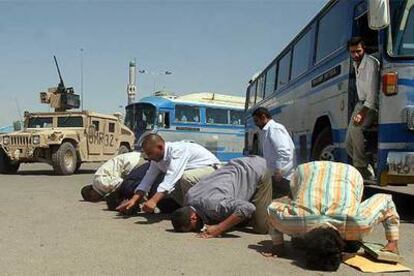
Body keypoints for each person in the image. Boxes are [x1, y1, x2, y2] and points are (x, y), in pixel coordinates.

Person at [265, 161, 400, 271]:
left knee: (353, 243)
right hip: (312, 171)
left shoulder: (359, 223)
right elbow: (272, 208)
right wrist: (279, 244)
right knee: (353, 245)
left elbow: (272, 208)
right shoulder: (292, 222)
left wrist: (278, 245)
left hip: (342, 172)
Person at [116, 134, 220, 214]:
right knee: (168, 191)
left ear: (160, 147)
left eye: (150, 153)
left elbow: (171, 178)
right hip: (196, 174)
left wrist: (153, 201)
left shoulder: (177, 151)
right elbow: (148, 179)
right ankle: (189, 209)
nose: (149, 157)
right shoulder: (156, 158)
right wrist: (134, 200)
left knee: (185, 178)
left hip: (212, 170)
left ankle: (198, 212)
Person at [171, 156, 272, 237]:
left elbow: (248, 207)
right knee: (231, 217)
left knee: (261, 228)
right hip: (239, 165)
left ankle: (279, 205)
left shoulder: (214, 206)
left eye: (191, 228)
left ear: (193, 218)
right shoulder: (189, 197)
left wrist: (219, 228)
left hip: (257, 169)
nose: (195, 230)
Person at [345, 37, 380, 180]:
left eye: (358, 51)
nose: (355, 55)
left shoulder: (371, 63)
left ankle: (362, 168)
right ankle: (367, 163)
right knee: (348, 143)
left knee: (356, 128)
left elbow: (372, 95)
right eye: (352, 52)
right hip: (360, 104)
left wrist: (362, 113)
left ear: (363, 49)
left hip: (370, 105)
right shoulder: (355, 63)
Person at [252, 107, 295, 197]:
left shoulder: (274, 128)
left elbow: (284, 151)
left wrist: (279, 170)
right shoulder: (268, 130)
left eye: (256, 121)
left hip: (282, 177)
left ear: (263, 117)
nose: (256, 124)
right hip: (276, 176)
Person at [81, 151, 146, 202]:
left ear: (92, 193)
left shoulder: (100, 183)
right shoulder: (99, 183)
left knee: (129, 186)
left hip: (132, 163)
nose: (95, 199)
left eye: (92, 198)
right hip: (134, 158)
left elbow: (119, 183)